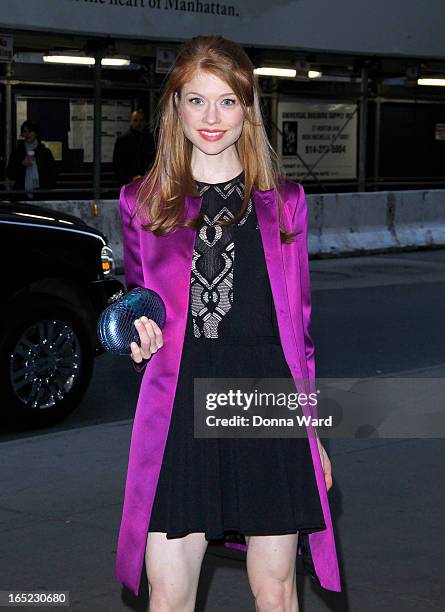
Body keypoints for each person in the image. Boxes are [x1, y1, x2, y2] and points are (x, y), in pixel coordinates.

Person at [116, 35, 341, 610]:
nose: (211, 118)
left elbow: (300, 333)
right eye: (196, 101)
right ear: (175, 108)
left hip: (266, 400)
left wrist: (312, 434)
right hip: (180, 405)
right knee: (166, 593)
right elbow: (137, 299)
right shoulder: (143, 203)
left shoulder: (284, 201)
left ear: (248, 109)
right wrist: (133, 331)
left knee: (277, 589)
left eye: (227, 101)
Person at [6, 120, 56, 200]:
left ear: (35, 133)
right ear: (22, 134)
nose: (27, 134)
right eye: (25, 131)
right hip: (21, 195)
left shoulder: (45, 152)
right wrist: (22, 165)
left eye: (30, 131)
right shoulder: (18, 152)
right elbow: (10, 175)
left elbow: (52, 173)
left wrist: (47, 189)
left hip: (41, 195)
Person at [112, 109, 156, 186]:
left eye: (141, 120)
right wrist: (127, 180)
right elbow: (118, 163)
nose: (138, 123)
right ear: (131, 122)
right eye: (135, 120)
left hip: (148, 181)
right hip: (128, 182)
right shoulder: (123, 140)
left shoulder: (150, 139)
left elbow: (154, 159)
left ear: (145, 122)